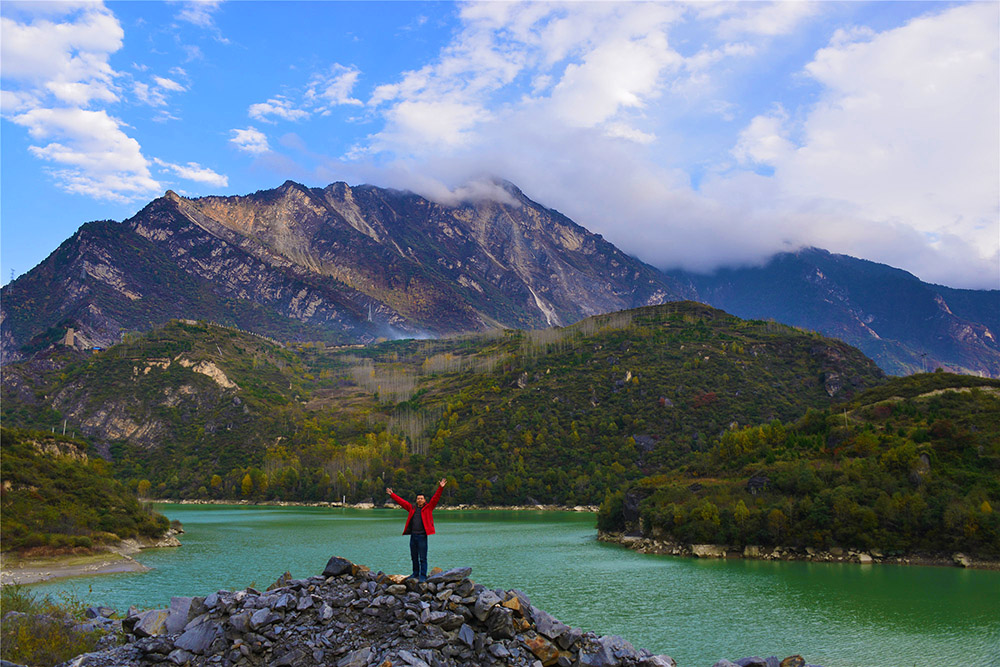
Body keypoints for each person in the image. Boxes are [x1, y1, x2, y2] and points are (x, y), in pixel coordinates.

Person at [386, 479, 447, 581]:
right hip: (413, 536)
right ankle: (415, 573)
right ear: (416, 500)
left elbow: (436, 498)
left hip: (422, 536)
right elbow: (402, 502)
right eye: (418, 498)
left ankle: (422, 576)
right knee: (414, 557)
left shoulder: (428, 508)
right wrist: (392, 495)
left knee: (423, 558)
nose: (419, 500)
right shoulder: (412, 508)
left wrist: (440, 487)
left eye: (421, 498)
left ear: (424, 500)